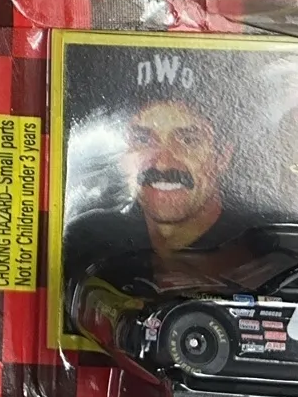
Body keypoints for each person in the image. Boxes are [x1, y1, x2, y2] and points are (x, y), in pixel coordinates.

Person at [63, 85, 260, 295]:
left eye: (188, 141)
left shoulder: (264, 249)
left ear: (222, 158)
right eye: (143, 139)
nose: (163, 164)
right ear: (124, 154)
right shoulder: (86, 242)